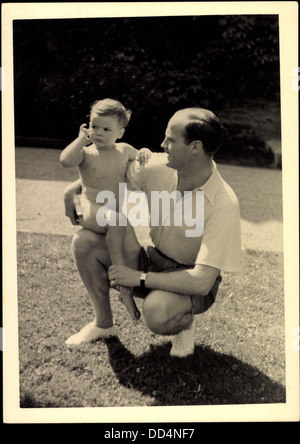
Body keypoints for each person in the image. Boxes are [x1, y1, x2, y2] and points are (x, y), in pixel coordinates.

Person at [63, 107, 241, 357]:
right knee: (84, 241)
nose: (162, 144)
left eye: (170, 139)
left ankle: (185, 321)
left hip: (189, 279)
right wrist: (74, 188)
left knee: (156, 312)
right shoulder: (158, 166)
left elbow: (201, 281)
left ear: (195, 147)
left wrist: (138, 278)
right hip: (153, 259)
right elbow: (108, 174)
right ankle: (103, 325)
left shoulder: (224, 204)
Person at [60, 98, 151, 321]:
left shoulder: (124, 150)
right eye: (94, 126)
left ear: (120, 132)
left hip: (113, 218)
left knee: (125, 232)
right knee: (119, 221)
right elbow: (65, 160)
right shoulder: (87, 153)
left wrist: (145, 151)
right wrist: (81, 140)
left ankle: (125, 286)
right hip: (91, 210)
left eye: (106, 129)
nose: (98, 132)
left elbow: (141, 155)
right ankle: (122, 283)